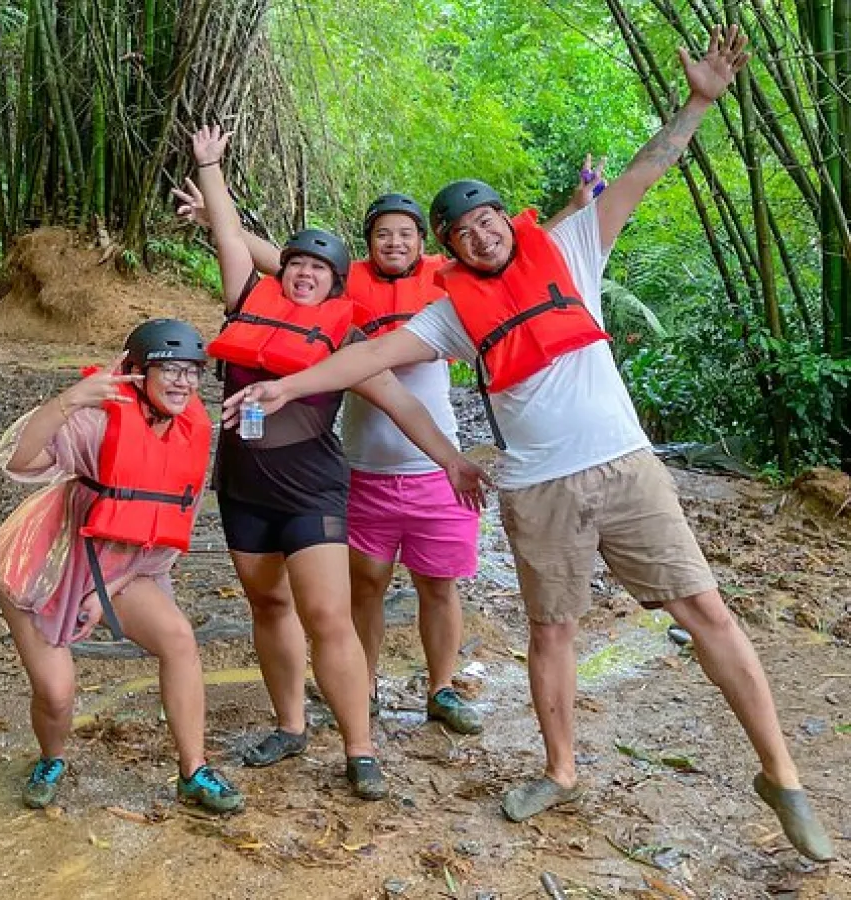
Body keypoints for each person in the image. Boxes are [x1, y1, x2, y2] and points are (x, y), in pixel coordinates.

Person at [221, 26, 834, 862]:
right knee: (552, 631)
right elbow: (368, 356)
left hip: (627, 468)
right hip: (540, 486)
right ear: (448, 249)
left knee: (705, 611)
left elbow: (646, 170)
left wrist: (697, 102)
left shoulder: (573, 246)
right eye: (463, 232)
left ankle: (782, 775)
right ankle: (561, 770)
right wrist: (286, 386)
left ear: (507, 221)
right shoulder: (450, 313)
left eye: (488, 221)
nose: (481, 236)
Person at [170, 175, 600, 735]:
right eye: (382, 235)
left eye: (405, 234)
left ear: (425, 242)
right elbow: (286, 262)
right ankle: (363, 687)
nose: (394, 243)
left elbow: (518, 255)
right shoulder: (346, 292)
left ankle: (441, 687)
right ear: (366, 244)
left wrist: (575, 207)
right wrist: (217, 217)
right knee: (365, 584)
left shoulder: (449, 284)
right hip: (362, 468)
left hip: (430, 466)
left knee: (438, 584)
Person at [189, 125, 488, 800]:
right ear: (281, 270)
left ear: (335, 285)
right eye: (295, 263)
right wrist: (210, 167)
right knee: (268, 604)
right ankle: (290, 725)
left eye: (319, 269)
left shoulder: (347, 339)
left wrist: (451, 462)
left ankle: (360, 747)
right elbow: (230, 237)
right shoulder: (247, 301)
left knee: (327, 614)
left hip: (313, 489)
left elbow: (403, 406)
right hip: (241, 485)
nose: (304, 273)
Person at [0, 319, 244, 814]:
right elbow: (16, 459)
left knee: (179, 639)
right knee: (57, 693)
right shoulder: (98, 422)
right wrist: (69, 401)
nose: (183, 382)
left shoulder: (189, 431)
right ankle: (51, 758)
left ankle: (194, 771)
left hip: (125, 566)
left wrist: (106, 590)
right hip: (48, 563)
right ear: (137, 373)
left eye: (191, 371)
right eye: (169, 370)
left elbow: (171, 524)